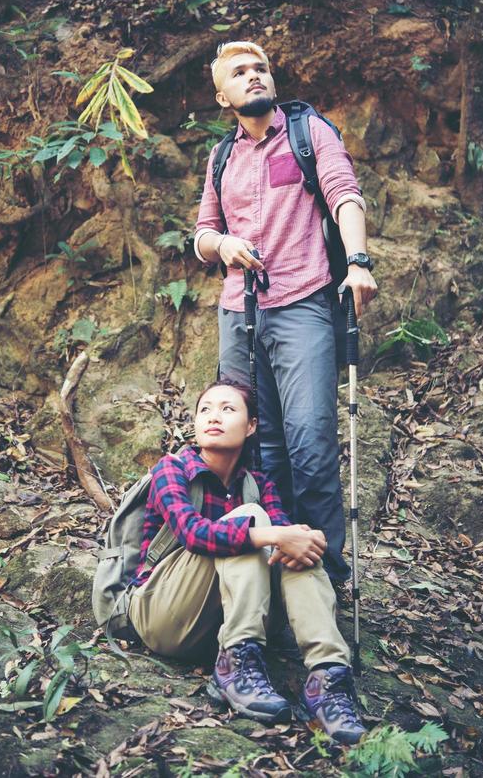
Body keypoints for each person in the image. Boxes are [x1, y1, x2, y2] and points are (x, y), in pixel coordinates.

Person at [194, 41, 377, 585]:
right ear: (221, 95)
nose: (254, 77)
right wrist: (222, 244)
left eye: (261, 69)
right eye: (240, 73)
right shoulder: (222, 155)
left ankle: (324, 577)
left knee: (310, 444)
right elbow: (202, 233)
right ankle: (268, 567)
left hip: (303, 304)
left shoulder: (308, 132)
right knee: (254, 447)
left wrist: (359, 261)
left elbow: (346, 196)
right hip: (239, 314)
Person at [128, 380, 365, 743]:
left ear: (251, 425)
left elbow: (286, 543)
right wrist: (272, 534)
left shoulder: (259, 482)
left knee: (296, 548)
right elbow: (193, 534)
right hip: (165, 615)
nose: (213, 417)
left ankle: (328, 678)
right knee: (253, 520)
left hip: (225, 621)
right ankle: (234, 667)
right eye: (205, 409)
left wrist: (304, 538)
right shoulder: (172, 469)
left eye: (227, 409)